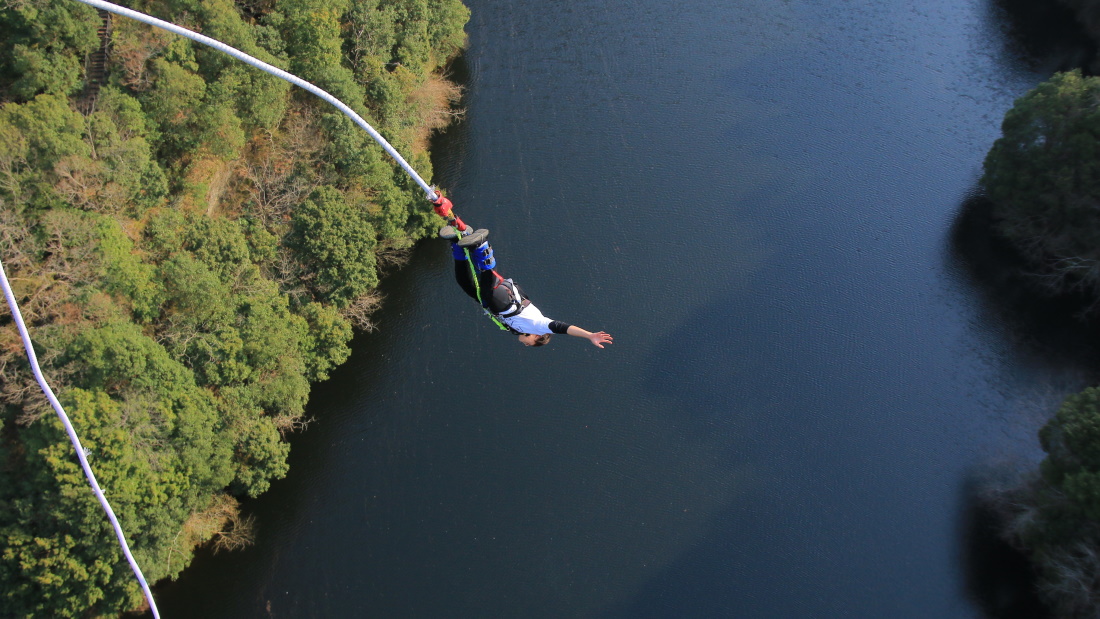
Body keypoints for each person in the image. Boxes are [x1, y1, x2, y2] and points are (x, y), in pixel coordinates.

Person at [441, 225, 613, 348]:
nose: (526, 345)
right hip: (504, 301)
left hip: (502, 300)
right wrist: (589, 335)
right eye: (530, 345)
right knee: (486, 291)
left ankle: (456, 244)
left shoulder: (518, 331)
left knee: (467, 285)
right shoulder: (539, 326)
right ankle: (481, 245)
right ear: (537, 337)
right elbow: (562, 328)